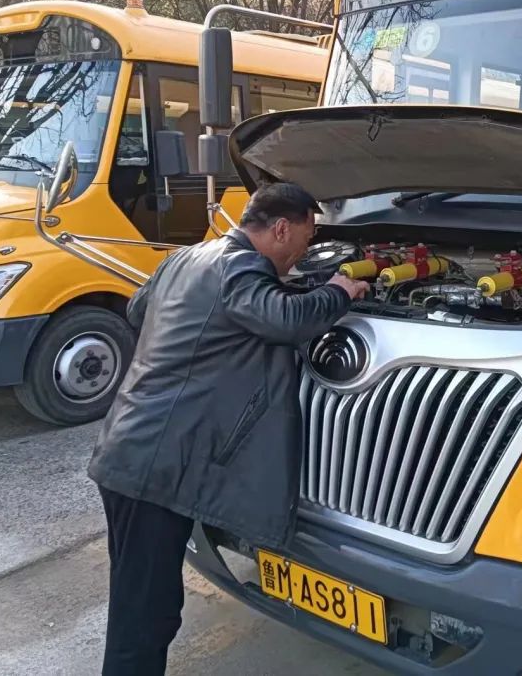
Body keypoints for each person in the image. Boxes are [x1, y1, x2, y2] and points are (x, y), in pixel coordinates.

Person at [88, 182, 369, 676]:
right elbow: (285, 320)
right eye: (304, 241)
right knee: (144, 619)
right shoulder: (241, 267)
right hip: (157, 466)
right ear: (281, 228)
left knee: (138, 602)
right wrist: (337, 291)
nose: (302, 254)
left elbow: (138, 310)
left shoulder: (191, 256)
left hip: (132, 452)